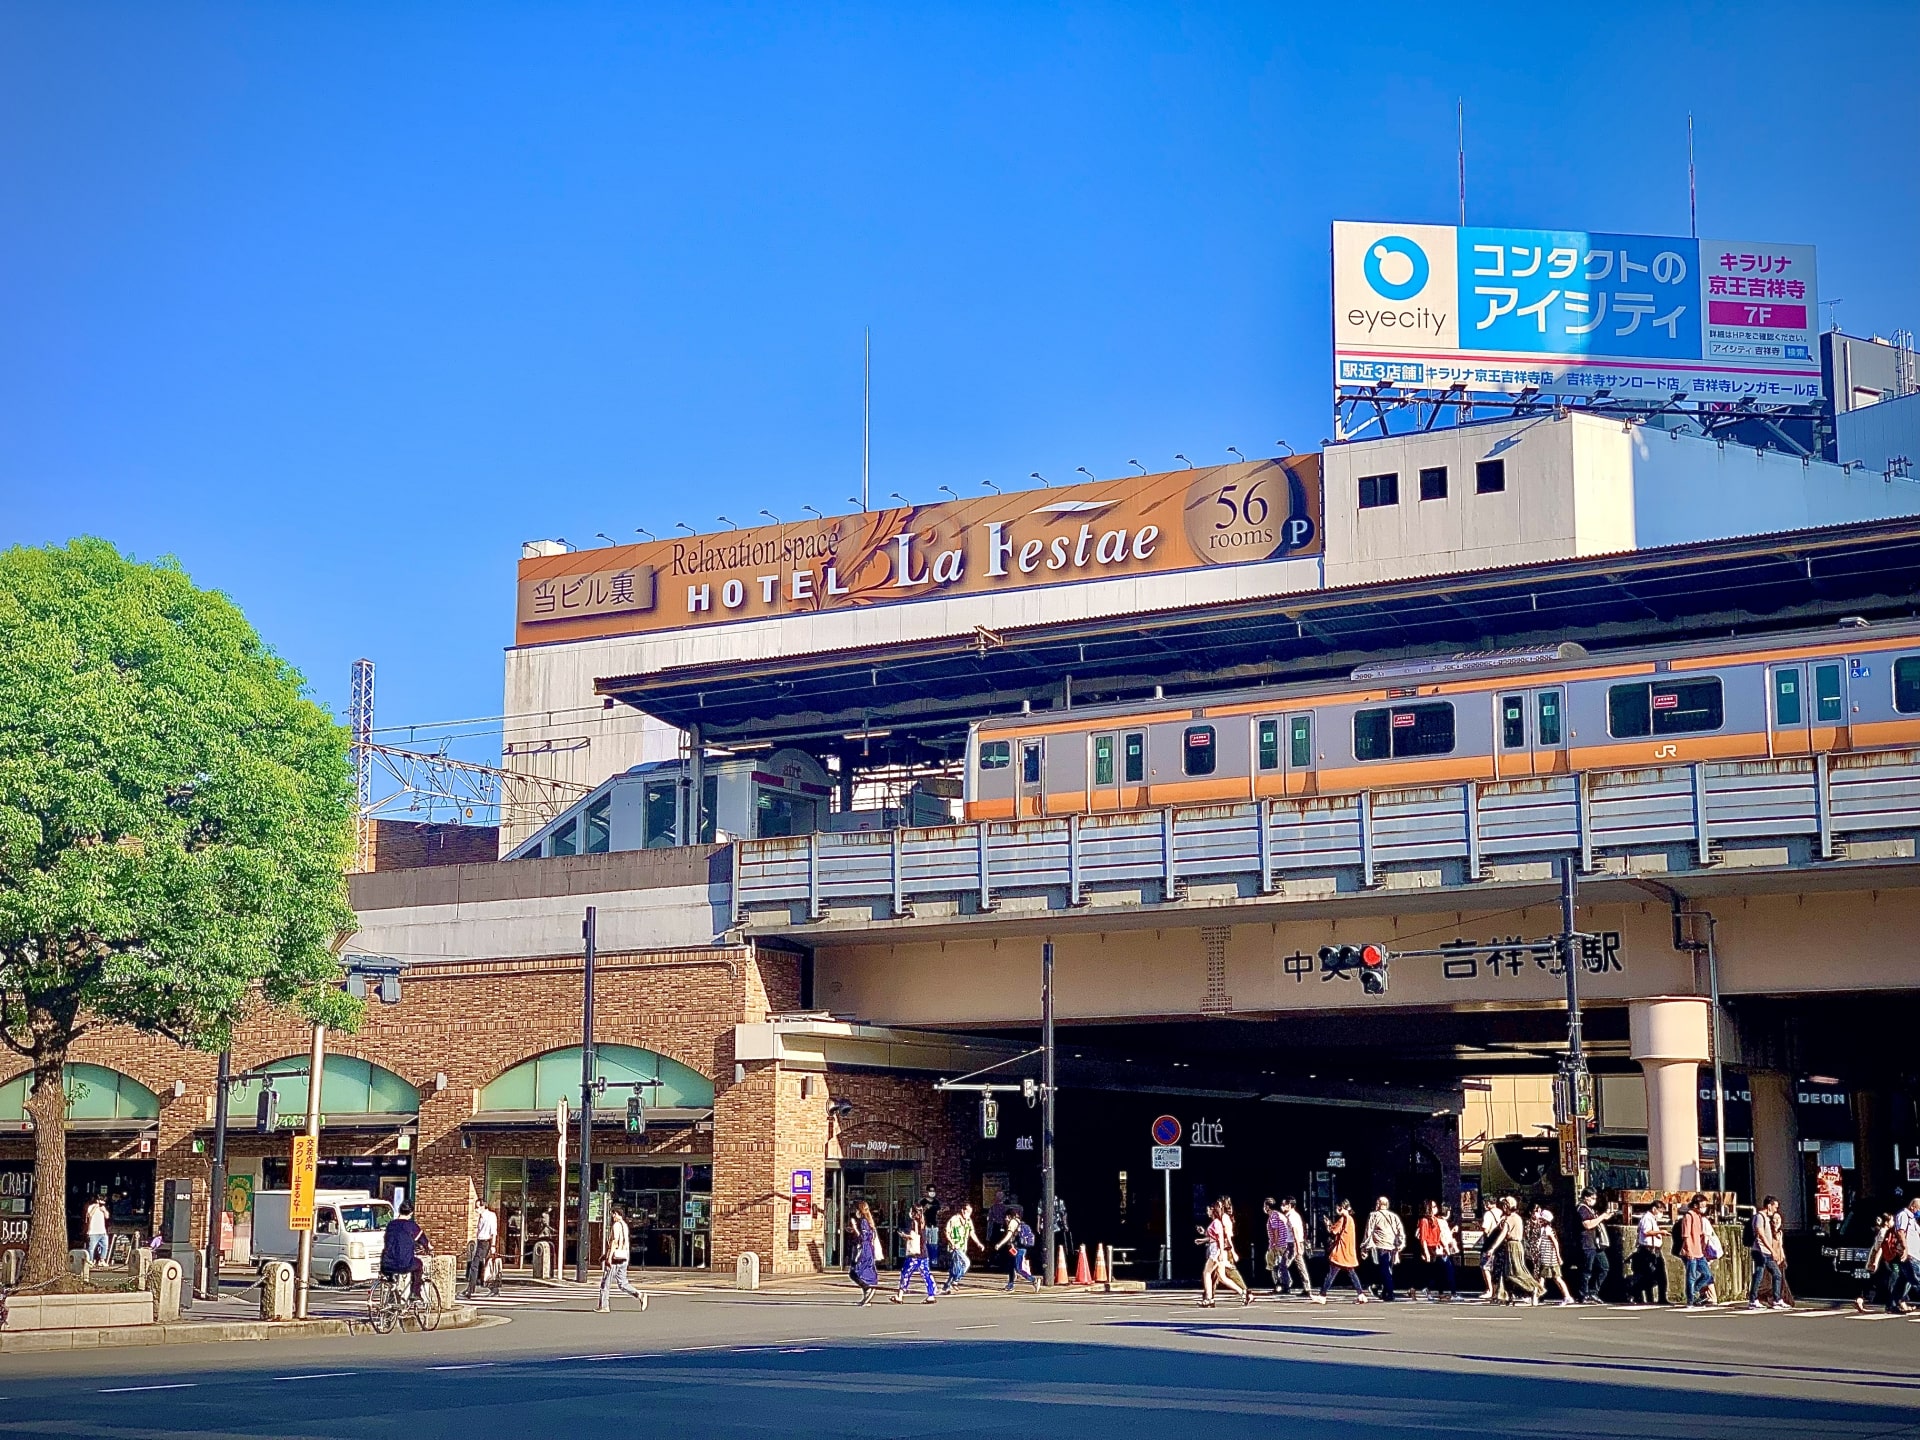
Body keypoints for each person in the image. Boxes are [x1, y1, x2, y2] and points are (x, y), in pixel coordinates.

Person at [1198, 1201, 1251, 1307]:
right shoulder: (1216, 1222)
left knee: (1207, 1273)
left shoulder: (1217, 1222)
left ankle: (1209, 1298)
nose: (1207, 1212)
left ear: (1213, 1210)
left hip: (1216, 1250)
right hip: (1216, 1249)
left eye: (1208, 1209)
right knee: (1222, 1277)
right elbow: (1214, 1237)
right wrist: (1202, 1239)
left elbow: (1221, 1239)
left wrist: (1222, 1253)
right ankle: (1243, 1293)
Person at [597, 1205, 649, 1312]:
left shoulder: (616, 1225)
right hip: (624, 1257)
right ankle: (639, 1295)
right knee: (623, 1284)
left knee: (605, 1282)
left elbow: (614, 1242)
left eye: (613, 1214)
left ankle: (604, 1306)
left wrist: (609, 1257)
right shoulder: (625, 1225)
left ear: (616, 1214)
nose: (612, 1216)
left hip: (615, 1258)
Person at [1744, 1195, 1790, 1311]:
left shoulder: (1766, 1218)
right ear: (1769, 1206)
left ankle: (1777, 1299)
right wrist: (1771, 1250)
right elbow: (1760, 1234)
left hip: (1765, 1252)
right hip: (1760, 1251)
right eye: (1775, 1207)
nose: (1776, 1210)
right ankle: (1753, 1300)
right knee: (1759, 1275)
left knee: (1777, 1274)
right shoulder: (1760, 1217)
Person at [1314, 1199, 1365, 1304]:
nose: (1336, 1209)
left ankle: (1322, 1295)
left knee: (1331, 1273)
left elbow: (1333, 1232)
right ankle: (1361, 1295)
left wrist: (1327, 1224)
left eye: (1337, 1207)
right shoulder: (1350, 1219)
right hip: (1348, 1250)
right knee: (1351, 1273)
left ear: (1341, 1207)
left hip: (1341, 1250)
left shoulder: (1343, 1219)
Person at [379, 1200, 429, 1301]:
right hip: (404, 1263)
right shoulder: (411, 1226)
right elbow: (423, 1240)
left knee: (391, 1276)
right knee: (418, 1265)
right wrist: (428, 1247)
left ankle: (392, 1291)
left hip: (386, 1264)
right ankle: (415, 1292)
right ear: (411, 1213)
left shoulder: (391, 1225)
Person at [1494, 1197, 1540, 1305]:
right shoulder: (1517, 1218)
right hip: (1516, 1245)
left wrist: (1492, 1248)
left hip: (1512, 1246)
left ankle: (1532, 1288)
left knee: (1515, 1272)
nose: (1503, 1207)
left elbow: (1502, 1235)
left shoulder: (1510, 1219)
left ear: (1508, 1206)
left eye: (1504, 1205)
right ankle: (1508, 1297)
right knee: (1508, 1272)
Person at [1575, 1189, 1617, 1304]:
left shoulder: (1591, 1209)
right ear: (1586, 1197)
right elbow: (1588, 1225)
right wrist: (1601, 1217)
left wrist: (1605, 1216)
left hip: (1596, 1244)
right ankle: (1583, 1294)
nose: (1594, 1200)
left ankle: (1593, 1291)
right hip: (1586, 1244)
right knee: (1586, 1270)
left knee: (1604, 1267)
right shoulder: (1582, 1209)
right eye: (1592, 1198)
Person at [1362, 1196, 1405, 1302]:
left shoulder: (1373, 1215)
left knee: (1384, 1270)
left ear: (1379, 1204)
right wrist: (1401, 1244)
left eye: (1377, 1203)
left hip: (1380, 1247)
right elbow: (1400, 1232)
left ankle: (1389, 1292)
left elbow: (1369, 1232)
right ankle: (1385, 1292)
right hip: (1392, 1248)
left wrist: (1364, 1247)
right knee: (1388, 1270)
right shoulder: (1394, 1216)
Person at [1530, 1206, 1574, 1306]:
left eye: (1541, 1219)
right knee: (1555, 1278)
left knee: (1542, 1278)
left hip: (1548, 1258)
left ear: (1545, 1220)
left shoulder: (1547, 1230)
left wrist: (1558, 1256)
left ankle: (1536, 1297)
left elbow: (1555, 1243)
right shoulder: (1545, 1229)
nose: (1539, 1220)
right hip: (1548, 1257)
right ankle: (1567, 1296)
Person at [1677, 1193, 1714, 1307]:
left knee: (1707, 1275)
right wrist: (1689, 1251)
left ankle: (1694, 1292)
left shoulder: (1699, 1217)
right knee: (1691, 1276)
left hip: (1699, 1252)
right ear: (1696, 1205)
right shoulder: (1689, 1216)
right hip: (1691, 1251)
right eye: (1702, 1205)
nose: (1704, 1207)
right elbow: (1686, 1235)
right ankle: (1690, 1299)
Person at [893, 1207, 936, 1304]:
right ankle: (931, 1295)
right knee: (926, 1274)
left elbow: (914, 1236)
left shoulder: (914, 1222)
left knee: (905, 1273)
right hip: (924, 1253)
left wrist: (903, 1235)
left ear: (913, 1212)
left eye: (910, 1211)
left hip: (914, 1254)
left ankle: (900, 1295)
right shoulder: (922, 1222)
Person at [1417, 1200, 1457, 1301]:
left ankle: (1431, 1289)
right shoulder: (1424, 1220)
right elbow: (1423, 1238)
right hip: (1431, 1248)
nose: (1435, 1208)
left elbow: (1439, 1236)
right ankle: (1428, 1289)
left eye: (1435, 1206)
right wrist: (1426, 1252)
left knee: (1439, 1271)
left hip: (1437, 1247)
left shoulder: (1436, 1219)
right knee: (1436, 1271)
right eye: (1433, 1207)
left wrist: (1445, 1247)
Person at [1630, 1201, 1669, 1305]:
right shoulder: (1647, 1218)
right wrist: (1660, 1232)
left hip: (1654, 1250)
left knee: (1660, 1276)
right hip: (1648, 1250)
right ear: (1654, 1209)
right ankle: (1635, 1291)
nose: (1661, 1213)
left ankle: (1661, 1298)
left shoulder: (1652, 1219)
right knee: (1651, 1276)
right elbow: (1646, 1232)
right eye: (1660, 1211)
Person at [847, 1199, 882, 1306]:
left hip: (864, 1249)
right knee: (859, 1270)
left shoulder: (863, 1221)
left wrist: (854, 1228)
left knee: (856, 1271)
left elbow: (863, 1237)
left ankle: (868, 1288)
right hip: (867, 1248)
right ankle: (866, 1291)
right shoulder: (868, 1221)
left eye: (856, 1209)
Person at [996, 1206, 1040, 1292]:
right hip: (1015, 1248)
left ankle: (1033, 1280)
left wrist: (999, 1244)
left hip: (1019, 1248)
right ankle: (1010, 1285)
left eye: (1006, 1217)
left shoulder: (1013, 1222)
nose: (1005, 1219)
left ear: (1009, 1216)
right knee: (1011, 1266)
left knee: (1018, 1268)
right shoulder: (1017, 1222)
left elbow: (1009, 1235)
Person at [943, 1203, 984, 1294]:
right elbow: (946, 1231)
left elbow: (972, 1233)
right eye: (968, 1211)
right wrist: (952, 1243)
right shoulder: (954, 1219)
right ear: (962, 1210)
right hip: (955, 1247)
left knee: (955, 1268)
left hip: (963, 1247)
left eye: (970, 1212)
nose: (969, 1214)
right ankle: (956, 1280)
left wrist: (978, 1243)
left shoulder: (969, 1221)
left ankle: (946, 1286)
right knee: (966, 1263)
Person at [1277, 1198, 1313, 1297]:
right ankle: (1307, 1288)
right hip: (1294, 1243)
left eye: (1284, 1204)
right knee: (1300, 1266)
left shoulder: (1292, 1216)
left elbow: (1295, 1231)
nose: (1282, 1206)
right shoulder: (1293, 1215)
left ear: (1289, 1205)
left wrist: (1297, 1246)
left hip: (1293, 1244)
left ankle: (1286, 1285)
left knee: (1283, 1265)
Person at [465, 1199, 500, 1300]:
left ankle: (470, 1289)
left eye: (477, 1207)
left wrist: (493, 1246)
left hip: (486, 1242)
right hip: (480, 1242)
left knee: (475, 1266)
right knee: (481, 1267)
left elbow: (494, 1232)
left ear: (483, 1206)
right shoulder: (481, 1217)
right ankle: (492, 1288)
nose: (476, 1209)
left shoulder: (491, 1216)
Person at [1476, 1200, 1502, 1302]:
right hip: (1499, 1244)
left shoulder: (1488, 1214)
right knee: (1496, 1268)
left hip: (1489, 1244)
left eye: (1486, 1203)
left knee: (1485, 1266)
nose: (1484, 1205)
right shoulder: (1501, 1212)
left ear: (1490, 1203)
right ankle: (1496, 1290)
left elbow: (1485, 1230)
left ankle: (1490, 1290)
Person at [84, 1195, 111, 1266]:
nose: (103, 1202)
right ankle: (91, 1260)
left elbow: (107, 1216)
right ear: (97, 1200)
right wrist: (95, 1207)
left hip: (102, 1231)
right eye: (102, 1201)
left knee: (105, 1246)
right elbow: (89, 1215)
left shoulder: (103, 1208)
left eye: (104, 1201)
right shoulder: (91, 1207)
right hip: (93, 1231)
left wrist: (104, 1210)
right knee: (91, 1248)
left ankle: (102, 1260)